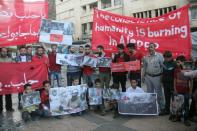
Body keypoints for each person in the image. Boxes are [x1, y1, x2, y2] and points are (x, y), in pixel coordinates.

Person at [142, 43, 165, 114]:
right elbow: (144, 67)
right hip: (148, 77)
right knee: (150, 93)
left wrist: (163, 77)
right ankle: (151, 107)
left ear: (155, 47)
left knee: (159, 93)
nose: (150, 48)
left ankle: (162, 108)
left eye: (151, 47)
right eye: (149, 47)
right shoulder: (146, 57)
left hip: (157, 77)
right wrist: (143, 75)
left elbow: (163, 66)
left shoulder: (160, 56)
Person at [173, 55, 192, 126]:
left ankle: (186, 119)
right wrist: (175, 89)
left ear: (183, 62)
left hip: (186, 91)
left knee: (186, 105)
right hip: (178, 90)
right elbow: (174, 80)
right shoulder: (176, 70)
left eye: (180, 62)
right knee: (178, 105)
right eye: (177, 62)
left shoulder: (188, 70)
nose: (178, 63)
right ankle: (178, 117)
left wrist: (190, 91)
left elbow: (191, 81)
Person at [162, 51, 176, 115]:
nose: (165, 59)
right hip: (165, 83)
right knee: (167, 98)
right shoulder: (164, 62)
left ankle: (174, 112)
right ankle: (166, 110)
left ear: (170, 57)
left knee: (174, 99)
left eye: (166, 58)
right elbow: (163, 72)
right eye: (164, 58)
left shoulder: (174, 64)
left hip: (172, 84)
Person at [0, 47, 14, 113]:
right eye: (3, 51)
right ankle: (0, 108)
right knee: (0, 94)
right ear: (1, 52)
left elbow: (14, 68)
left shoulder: (10, 59)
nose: (4, 53)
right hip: (0, 79)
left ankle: (9, 107)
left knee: (8, 94)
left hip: (8, 79)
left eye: (5, 51)